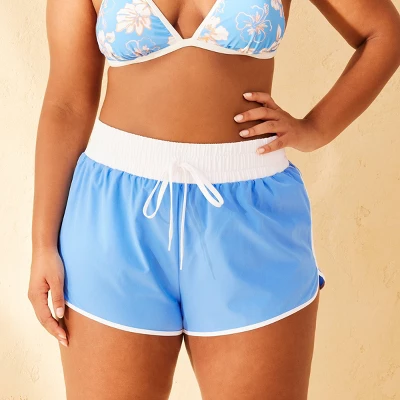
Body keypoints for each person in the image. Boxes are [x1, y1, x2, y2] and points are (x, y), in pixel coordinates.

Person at [28, 0, 400, 398]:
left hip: (252, 216)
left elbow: (384, 34)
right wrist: (42, 245)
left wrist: (315, 129)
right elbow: (66, 105)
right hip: (113, 220)